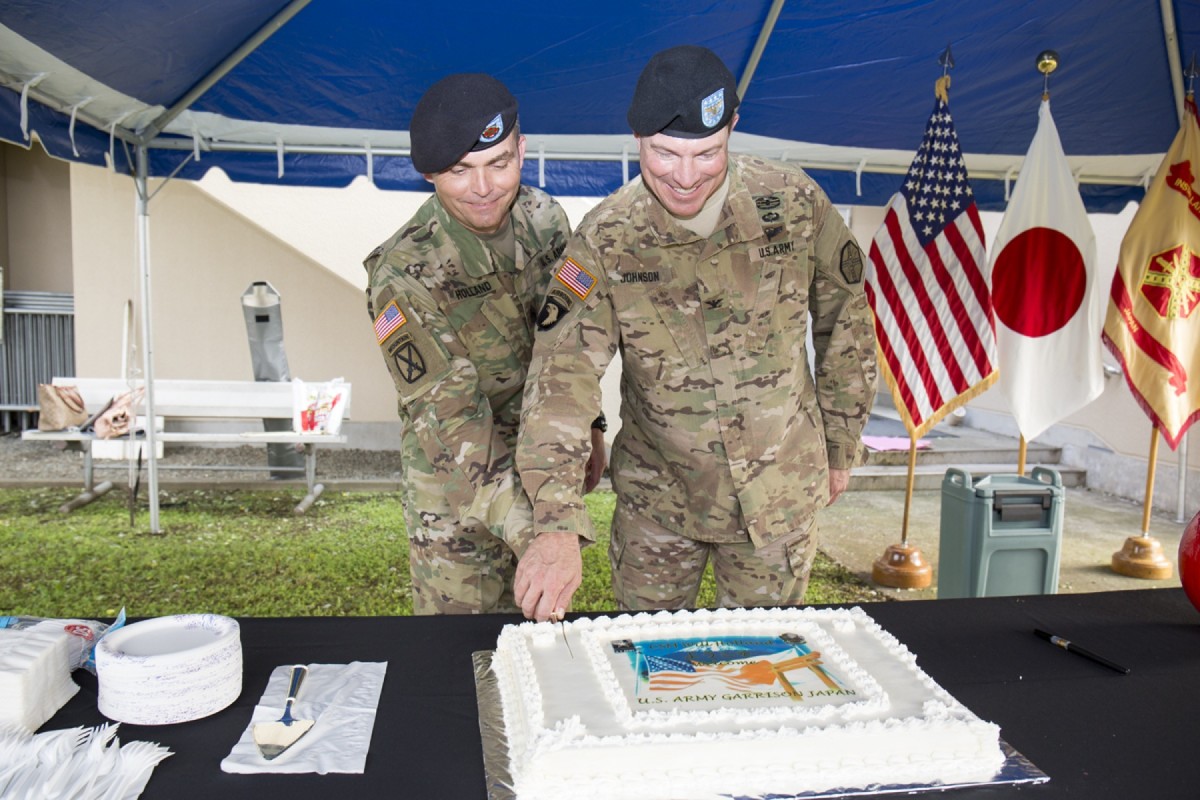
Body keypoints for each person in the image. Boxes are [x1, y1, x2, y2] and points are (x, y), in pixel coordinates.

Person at [513, 46, 877, 622]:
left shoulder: (792, 202)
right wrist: (556, 521)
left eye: (707, 154)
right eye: (664, 153)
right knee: (646, 667)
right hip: (660, 503)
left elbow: (847, 321)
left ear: (733, 127)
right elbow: (563, 377)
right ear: (635, 138)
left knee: (762, 673)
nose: (684, 177)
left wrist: (841, 445)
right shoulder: (606, 239)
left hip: (777, 496)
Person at [363, 73, 605, 614]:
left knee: (540, 657)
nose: (484, 188)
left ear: (522, 149)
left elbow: (566, 344)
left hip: (538, 459)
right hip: (454, 496)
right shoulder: (402, 276)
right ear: (428, 173)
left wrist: (591, 428)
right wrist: (542, 534)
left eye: (499, 163)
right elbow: (452, 423)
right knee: (463, 658)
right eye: (459, 171)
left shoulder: (545, 219)